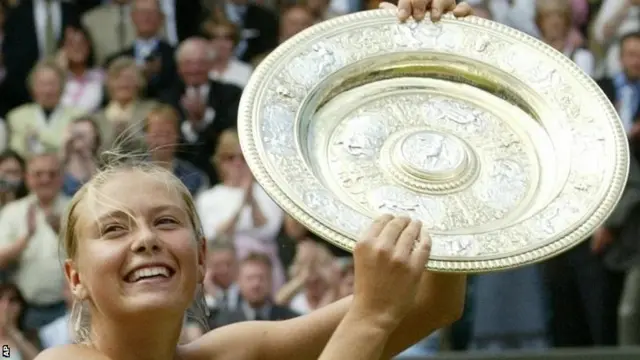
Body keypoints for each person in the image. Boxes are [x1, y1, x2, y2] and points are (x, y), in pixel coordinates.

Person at [36, 2, 472, 360]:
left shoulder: (236, 349)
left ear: (202, 256)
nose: (146, 239)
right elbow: (381, 315)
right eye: (114, 228)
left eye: (167, 222)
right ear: (75, 278)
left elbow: (433, 303)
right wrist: (370, 317)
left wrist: (434, 81)